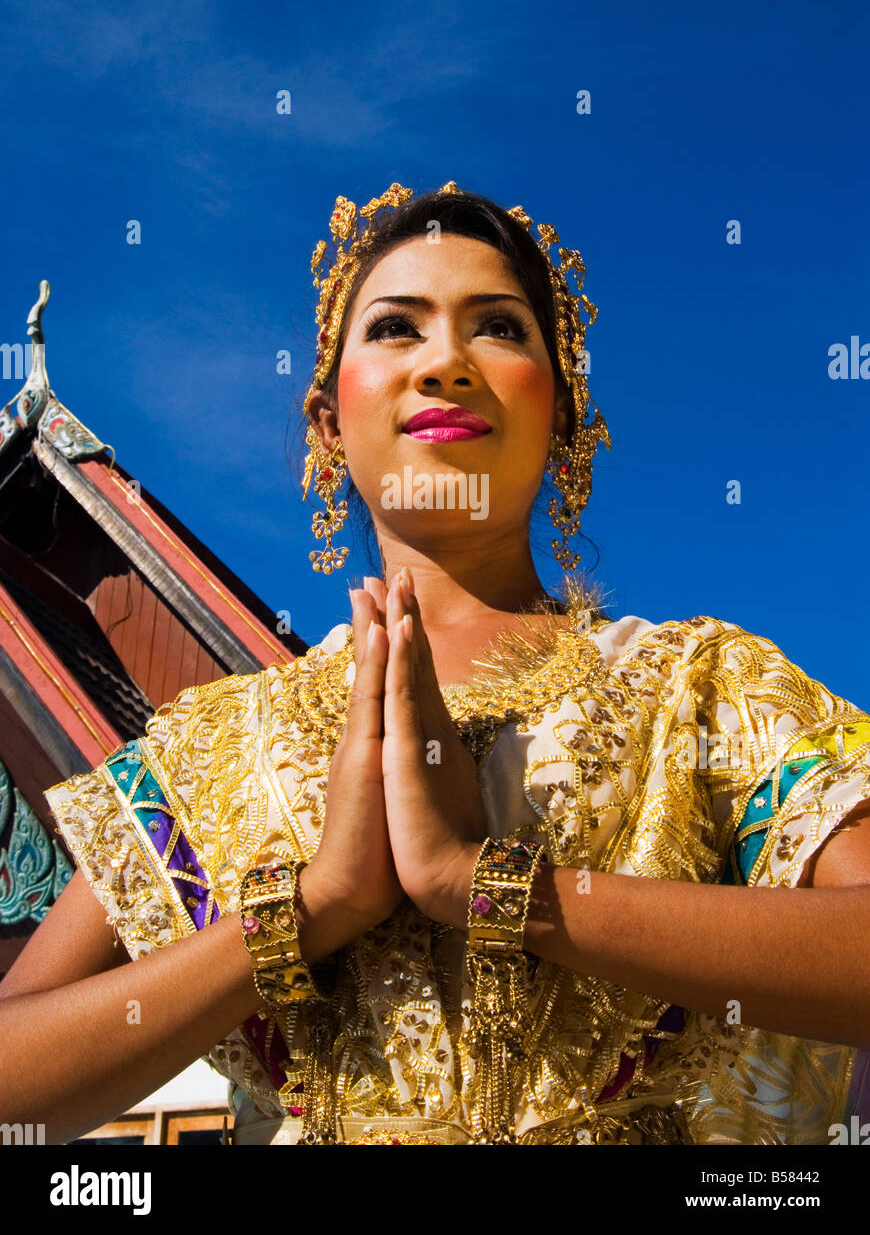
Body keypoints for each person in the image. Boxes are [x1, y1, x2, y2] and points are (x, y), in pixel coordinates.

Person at [2, 179, 869, 1146]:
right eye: (396, 330)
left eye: (498, 327)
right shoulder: (216, 745)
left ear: (565, 420)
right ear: (328, 422)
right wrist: (316, 907)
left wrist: (490, 887)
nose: (447, 362)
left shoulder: (699, 687)